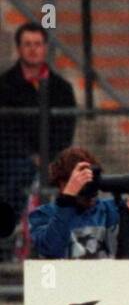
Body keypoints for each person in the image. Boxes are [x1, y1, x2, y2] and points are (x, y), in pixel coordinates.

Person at [0, 23, 77, 255]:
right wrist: (30, 155)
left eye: (37, 44)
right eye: (27, 44)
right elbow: (5, 129)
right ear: (19, 48)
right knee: (18, 177)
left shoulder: (61, 88)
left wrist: (49, 156)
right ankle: (9, 232)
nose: (33, 49)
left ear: (45, 48)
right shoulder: (4, 86)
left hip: (51, 159)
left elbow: (65, 129)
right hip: (13, 159)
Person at [27, 148, 129, 260]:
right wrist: (67, 200)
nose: (87, 191)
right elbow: (50, 250)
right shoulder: (43, 215)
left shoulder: (115, 210)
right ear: (62, 184)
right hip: (67, 286)